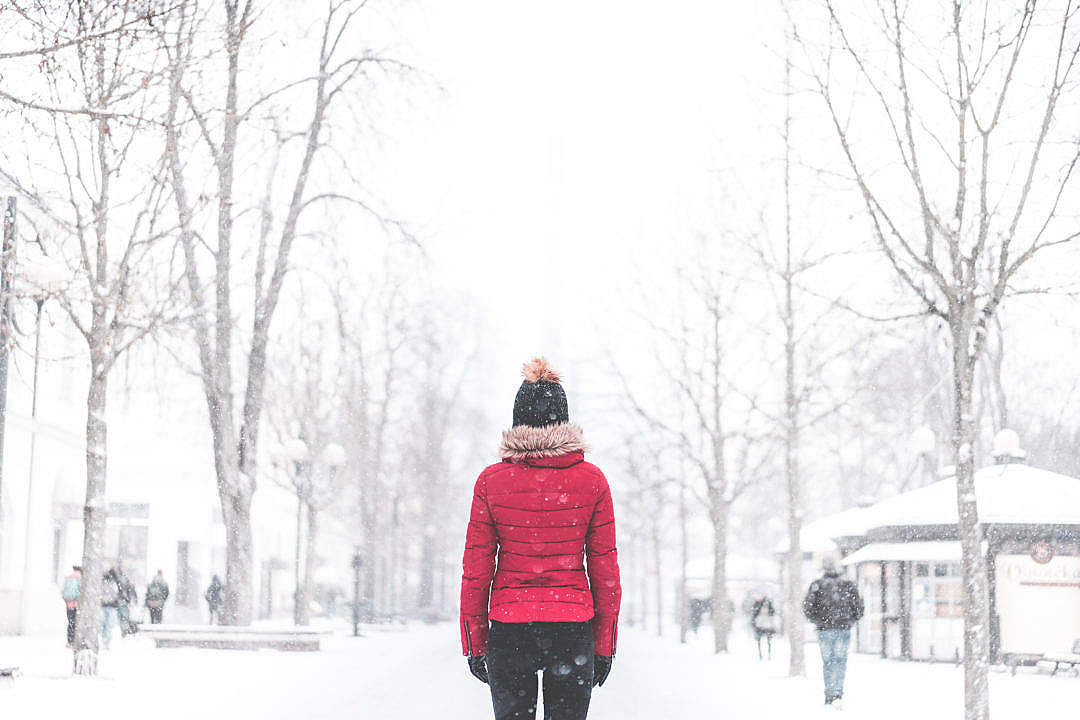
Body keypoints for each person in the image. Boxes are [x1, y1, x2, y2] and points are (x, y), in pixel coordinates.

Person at [460, 358, 622, 720]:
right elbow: (605, 570)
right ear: (563, 420)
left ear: (517, 420)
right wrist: (604, 644)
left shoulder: (491, 482)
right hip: (572, 626)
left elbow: (476, 568)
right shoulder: (593, 481)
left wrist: (475, 640)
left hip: (510, 627)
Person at [803, 557, 864, 707]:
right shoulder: (848, 585)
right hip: (843, 627)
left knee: (828, 662)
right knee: (840, 661)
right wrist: (850, 619)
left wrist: (818, 620)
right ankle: (837, 692)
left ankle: (830, 693)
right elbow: (859, 606)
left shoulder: (817, 585)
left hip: (825, 629)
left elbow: (807, 607)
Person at [749, 593, 777, 660]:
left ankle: (768, 654)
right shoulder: (756, 604)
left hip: (767, 624)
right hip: (759, 624)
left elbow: (772, 612)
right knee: (759, 640)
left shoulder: (768, 603)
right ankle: (760, 654)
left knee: (768, 640)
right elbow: (754, 614)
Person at [100, 567, 123, 649]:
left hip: (103, 605)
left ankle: (104, 640)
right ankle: (106, 642)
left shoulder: (103, 581)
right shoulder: (115, 582)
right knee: (109, 625)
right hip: (112, 606)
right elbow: (117, 593)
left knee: (104, 624)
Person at [61, 566, 82, 647]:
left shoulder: (68, 578)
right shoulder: (80, 578)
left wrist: (67, 601)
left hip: (69, 605)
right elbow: (81, 591)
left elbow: (63, 592)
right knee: (76, 623)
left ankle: (69, 641)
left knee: (70, 623)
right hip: (77, 604)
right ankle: (75, 641)